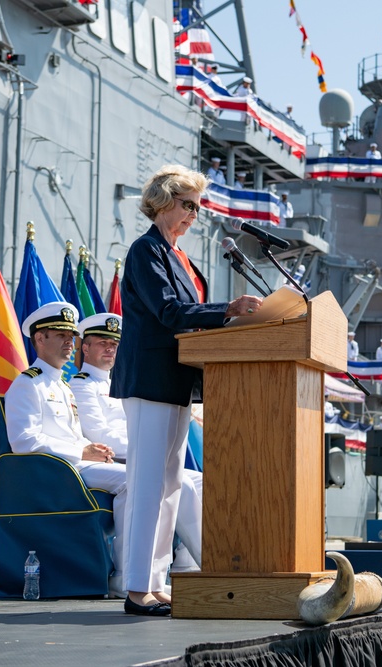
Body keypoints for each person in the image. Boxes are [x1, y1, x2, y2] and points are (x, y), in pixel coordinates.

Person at [110, 164, 261, 616]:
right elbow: (170, 310)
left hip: (179, 381)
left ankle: (155, 583)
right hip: (151, 379)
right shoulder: (146, 250)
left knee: (170, 485)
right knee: (146, 485)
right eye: (187, 204)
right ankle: (137, 589)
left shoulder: (184, 260)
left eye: (198, 207)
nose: (193, 215)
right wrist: (228, 309)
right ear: (162, 201)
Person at [4, 302, 129, 596]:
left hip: (73, 466)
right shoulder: (27, 384)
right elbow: (24, 440)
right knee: (132, 481)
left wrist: (92, 447)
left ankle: (133, 573)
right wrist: (81, 452)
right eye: (60, 335)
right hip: (53, 472)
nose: (69, 343)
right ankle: (124, 575)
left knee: (140, 477)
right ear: (39, 339)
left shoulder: (63, 385)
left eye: (71, 337)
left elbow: (69, 435)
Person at [69, 313, 203, 571]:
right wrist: (147, 449)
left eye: (114, 344)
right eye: (102, 342)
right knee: (182, 483)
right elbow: (98, 433)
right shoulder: (80, 385)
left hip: (136, 457)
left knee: (202, 481)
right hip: (113, 460)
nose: (110, 348)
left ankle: (186, 566)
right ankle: (209, 565)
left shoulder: (119, 382)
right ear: (85, 347)